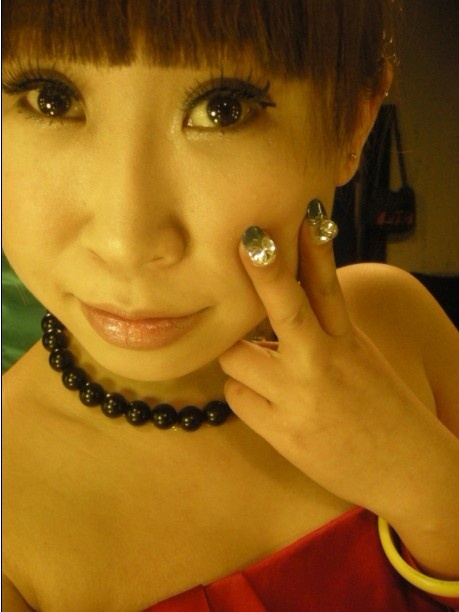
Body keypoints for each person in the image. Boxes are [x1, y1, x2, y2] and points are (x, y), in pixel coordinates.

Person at [2, 1, 459, 610]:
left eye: (222, 110)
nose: (126, 242)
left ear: (353, 122)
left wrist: (428, 486)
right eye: (50, 101)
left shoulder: (400, 324)